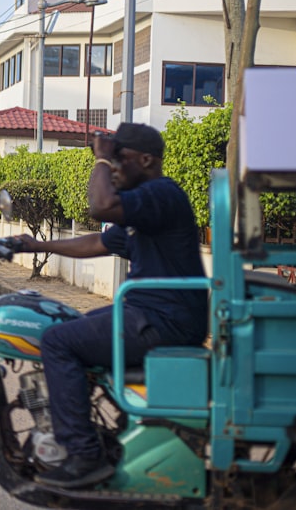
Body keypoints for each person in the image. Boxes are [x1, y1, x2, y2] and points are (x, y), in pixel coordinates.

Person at [12, 122, 207, 489]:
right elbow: (98, 243)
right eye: (111, 162)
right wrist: (35, 246)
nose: (113, 168)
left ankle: (83, 455)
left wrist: (101, 159)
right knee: (67, 325)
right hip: (151, 314)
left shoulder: (160, 194)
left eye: (120, 160)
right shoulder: (145, 205)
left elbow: (101, 206)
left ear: (146, 160)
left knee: (58, 342)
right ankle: (91, 434)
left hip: (163, 319)